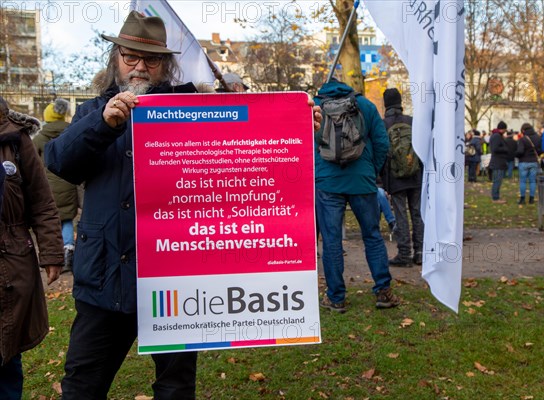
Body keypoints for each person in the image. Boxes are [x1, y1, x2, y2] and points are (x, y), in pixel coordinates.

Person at [45, 12, 321, 399]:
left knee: (175, 388)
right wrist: (103, 126)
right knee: (82, 386)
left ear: (165, 65)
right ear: (115, 58)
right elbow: (58, 161)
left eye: (152, 59)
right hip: (103, 277)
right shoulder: (93, 112)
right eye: (130, 56)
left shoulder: (191, 108)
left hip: (175, 282)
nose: (140, 66)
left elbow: (250, 153)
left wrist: (294, 124)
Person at [315, 79, 399, 313]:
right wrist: (371, 171)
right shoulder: (366, 105)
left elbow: (306, 144)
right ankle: (383, 291)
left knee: (331, 241)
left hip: (327, 183)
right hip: (362, 180)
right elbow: (382, 143)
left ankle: (336, 297)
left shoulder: (314, 107)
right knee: (372, 235)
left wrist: (318, 173)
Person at [0, 96, 64, 399]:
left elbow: (41, 200)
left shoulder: (15, 138)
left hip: (11, 266)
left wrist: (51, 252)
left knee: (6, 354)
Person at [33, 98, 79, 273]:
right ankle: (68, 251)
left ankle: (52, 255)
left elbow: (32, 162)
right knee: (66, 219)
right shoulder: (71, 132)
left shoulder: (39, 138)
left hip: (46, 187)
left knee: (49, 221)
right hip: (68, 185)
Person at [380, 88, 424, 267]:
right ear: (400, 102)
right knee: (417, 213)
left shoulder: (383, 124)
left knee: (400, 215)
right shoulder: (412, 122)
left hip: (395, 177)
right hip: (415, 174)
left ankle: (404, 254)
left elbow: (382, 151)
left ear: (385, 103)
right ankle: (420, 252)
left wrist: (383, 178)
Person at [515, 122, 542, 204]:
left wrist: (516, 155)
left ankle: (522, 199)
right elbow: (540, 150)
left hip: (524, 161)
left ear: (523, 130)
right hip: (534, 161)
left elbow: (520, 151)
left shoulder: (523, 139)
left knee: (523, 181)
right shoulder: (538, 138)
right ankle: (531, 199)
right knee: (532, 181)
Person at [489, 121, 509, 203]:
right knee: (497, 180)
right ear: (503, 129)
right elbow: (495, 149)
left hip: (498, 161)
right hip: (498, 162)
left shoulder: (496, 135)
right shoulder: (497, 136)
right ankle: (495, 198)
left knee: (497, 180)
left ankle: (496, 196)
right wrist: (506, 149)